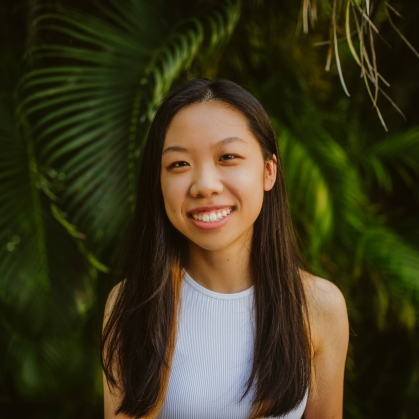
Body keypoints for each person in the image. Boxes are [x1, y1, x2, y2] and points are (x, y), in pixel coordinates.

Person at [101, 79, 349, 419]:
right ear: (157, 181)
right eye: (179, 164)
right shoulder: (131, 303)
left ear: (268, 171)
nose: (204, 185)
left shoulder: (319, 307)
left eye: (228, 157)